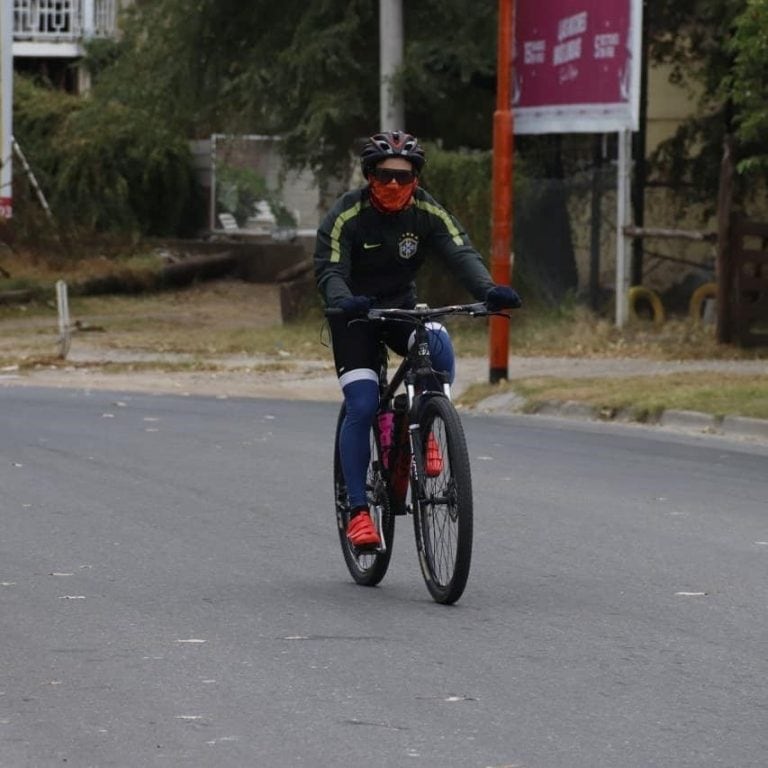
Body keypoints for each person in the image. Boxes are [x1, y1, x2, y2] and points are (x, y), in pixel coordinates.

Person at [314, 130, 521, 549]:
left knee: (438, 343)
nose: (394, 185)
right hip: (354, 316)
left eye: (404, 178)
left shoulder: (427, 211)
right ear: (370, 176)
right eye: (385, 176)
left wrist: (487, 290)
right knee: (362, 403)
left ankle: (428, 429)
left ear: (416, 181)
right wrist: (343, 300)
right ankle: (357, 512)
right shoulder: (346, 215)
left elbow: (460, 251)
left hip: (400, 309)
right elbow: (330, 269)